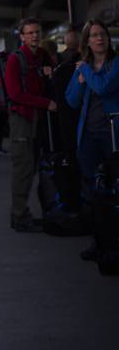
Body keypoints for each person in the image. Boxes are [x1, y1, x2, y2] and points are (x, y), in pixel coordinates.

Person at [65, 20, 119, 260]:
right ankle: (99, 242)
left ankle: (113, 243)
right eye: (94, 35)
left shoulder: (115, 64)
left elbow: (104, 88)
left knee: (113, 188)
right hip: (88, 135)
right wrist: (79, 82)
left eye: (102, 35)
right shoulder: (83, 69)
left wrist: (84, 71)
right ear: (87, 41)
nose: (99, 39)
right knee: (92, 191)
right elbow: (72, 101)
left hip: (112, 134)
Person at [5, 18, 57, 232]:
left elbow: (49, 81)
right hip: (22, 121)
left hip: (39, 119)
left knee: (33, 166)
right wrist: (46, 103)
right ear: (22, 36)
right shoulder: (15, 60)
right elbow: (15, 94)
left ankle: (23, 213)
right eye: (30, 32)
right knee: (24, 169)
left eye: (38, 31)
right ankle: (18, 216)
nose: (35, 35)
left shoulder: (42, 56)